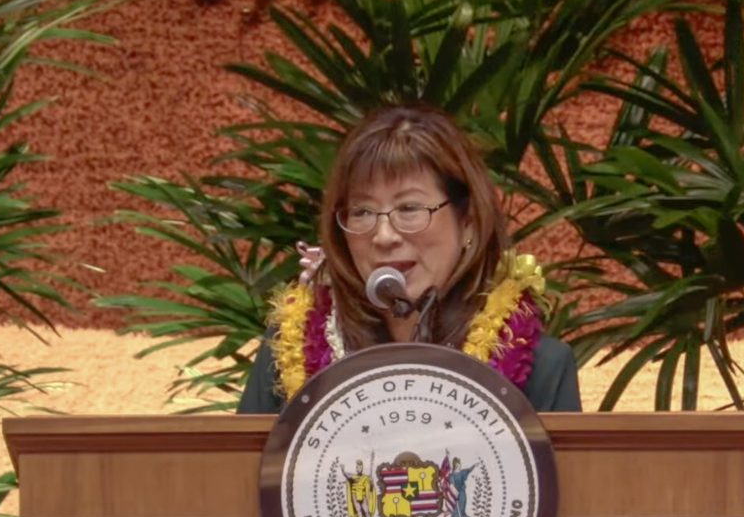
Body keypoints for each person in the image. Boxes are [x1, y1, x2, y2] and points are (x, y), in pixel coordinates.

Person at [237, 104, 581, 414]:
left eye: (409, 208)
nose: (384, 235)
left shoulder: (541, 368)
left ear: (468, 223)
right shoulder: (290, 350)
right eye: (362, 211)